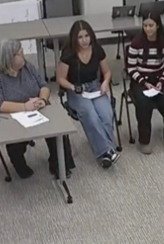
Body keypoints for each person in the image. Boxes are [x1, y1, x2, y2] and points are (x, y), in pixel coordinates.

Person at [0, 39, 76, 179]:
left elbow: (44, 85)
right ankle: (19, 164)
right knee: (16, 144)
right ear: (9, 58)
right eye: (19, 54)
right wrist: (24, 107)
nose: (23, 56)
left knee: (58, 127)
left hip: (36, 109)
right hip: (11, 116)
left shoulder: (28, 67)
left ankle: (59, 164)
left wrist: (42, 100)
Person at [56, 20, 119, 168]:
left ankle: (106, 152)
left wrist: (105, 83)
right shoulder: (69, 54)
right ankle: (107, 152)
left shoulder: (97, 50)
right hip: (77, 90)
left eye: (87, 36)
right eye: (80, 37)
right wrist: (73, 87)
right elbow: (60, 79)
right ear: (74, 38)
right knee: (90, 114)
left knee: (106, 114)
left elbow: (107, 72)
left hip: (96, 87)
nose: (84, 40)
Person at [126, 13, 164, 155]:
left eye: (151, 25)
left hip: (160, 79)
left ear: (158, 26)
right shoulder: (136, 43)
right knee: (143, 103)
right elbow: (131, 68)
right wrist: (145, 83)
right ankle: (144, 140)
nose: (147, 29)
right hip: (140, 80)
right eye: (145, 26)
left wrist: (161, 82)